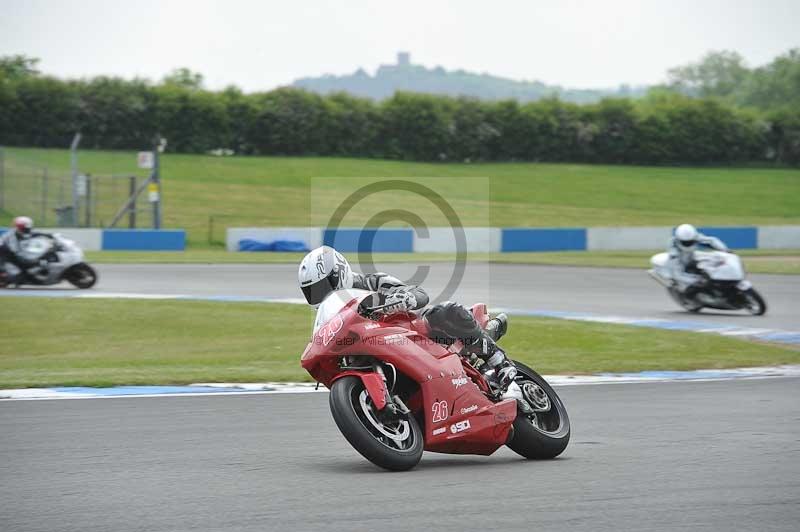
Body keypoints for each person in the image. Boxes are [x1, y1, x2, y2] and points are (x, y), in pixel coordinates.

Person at [298, 245, 516, 392]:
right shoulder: (327, 312)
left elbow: (419, 294)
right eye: (313, 291)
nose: (320, 295)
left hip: (412, 331)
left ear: (339, 273)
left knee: (446, 311)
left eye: (321, 287)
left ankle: (499, 361)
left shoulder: (372, 282)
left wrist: (405, 297)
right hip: (370, 344)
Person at [668, 224, 728, 299]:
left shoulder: (695, 236)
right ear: (678, 240)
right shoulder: (674, 252)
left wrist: (725, 250)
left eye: (691, 242)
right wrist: (697, 279)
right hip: (681, 267)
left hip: (692, 258)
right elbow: (677, 274)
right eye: (685, 243)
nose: (688, 244)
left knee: (710, 263)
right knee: (687, 290)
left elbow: (711, 240)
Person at [0, 216, 48, 283]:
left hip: (18, 255)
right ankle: (3, 273)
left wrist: (49, 235)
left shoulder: (27, 233)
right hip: (10, 254)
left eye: (22, 227)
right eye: (19, 227)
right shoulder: (11, 236)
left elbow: (36, 233)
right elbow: (15, 251)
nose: (19, 229)